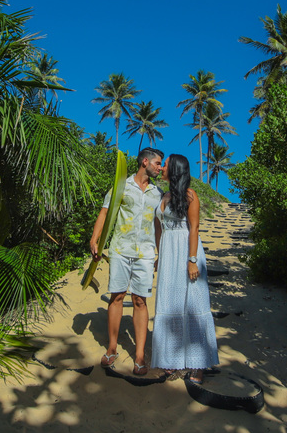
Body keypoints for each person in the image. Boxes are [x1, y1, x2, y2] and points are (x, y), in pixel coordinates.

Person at [89, 147, 164, 375]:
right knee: (118, 295)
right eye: (157, 163)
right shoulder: (121, 186)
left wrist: (160, 252)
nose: (160, 168)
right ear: (145, 162)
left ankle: (139, 355)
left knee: (140, 301)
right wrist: (95, 239)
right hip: (120, 249)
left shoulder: (157, 193)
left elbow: (158, 224)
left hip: (146, 253)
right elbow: (104, 212)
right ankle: (112, 348)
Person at [148, 153, 219, 385]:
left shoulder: (190, 195)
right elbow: (160, 228)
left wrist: (191, 260)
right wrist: (159, 254)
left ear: (175, 169)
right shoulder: (165, 196)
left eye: (165, 164)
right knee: (169, 301)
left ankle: (198, 366)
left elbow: (194, 228)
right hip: (168, 253)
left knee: (193, 302)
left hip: (187, 251)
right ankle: (172, 360)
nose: (162, 167)